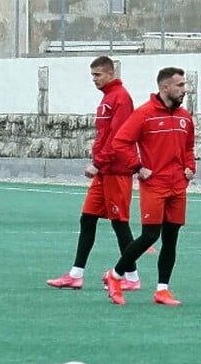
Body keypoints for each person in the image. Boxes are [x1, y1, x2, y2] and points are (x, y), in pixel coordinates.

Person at [103, 67, 195, 307]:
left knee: (171, 238)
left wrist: (190, 167)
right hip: (154, 184)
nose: (184, 90)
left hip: (178, 186)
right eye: (180, 85)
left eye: (184, 85)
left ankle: (162, 290)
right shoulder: (145, 113)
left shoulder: (185, 116)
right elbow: (120, 142)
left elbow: (188, 148)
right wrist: (138, 167)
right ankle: (115, 275)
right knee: (150, 235)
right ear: (165, 87)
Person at [46, 56, 140, 291]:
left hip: (116, 170)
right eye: (92, 75)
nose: (94, 80)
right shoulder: (108, 98)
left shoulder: (121, 98)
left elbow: (118, 137)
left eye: (98, 75)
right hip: (105, 171)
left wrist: (98, 163)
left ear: (110, 73)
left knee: (120, 223)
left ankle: (131, 278)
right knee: (87, 218)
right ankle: (76, 274)